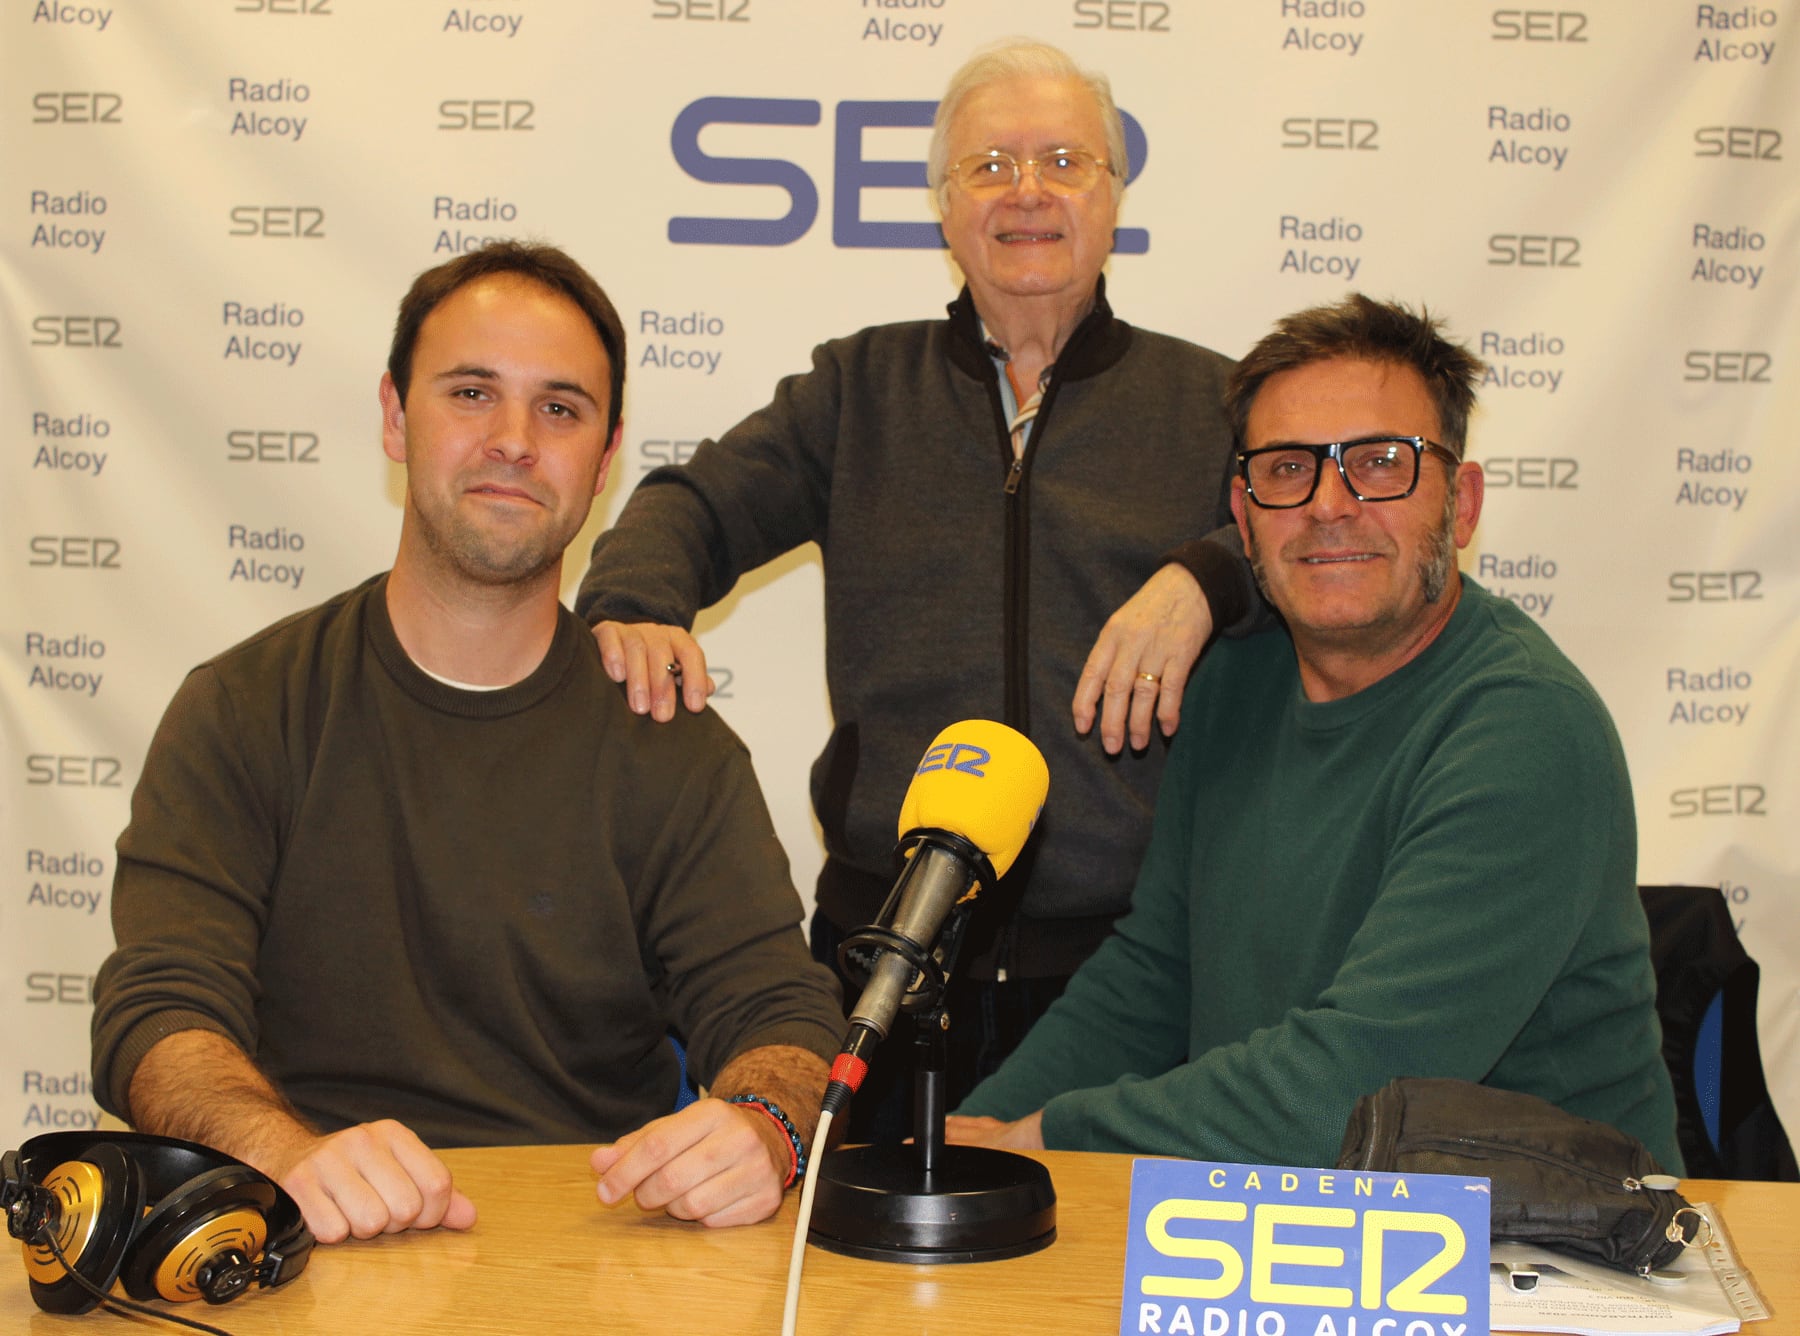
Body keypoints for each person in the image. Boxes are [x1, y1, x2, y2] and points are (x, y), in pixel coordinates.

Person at [89, 242, 845, 1244]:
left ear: (606, 458)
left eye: (560, 409)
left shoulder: (672, 745)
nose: (515, 441)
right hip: (301, 1235)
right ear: (397, 418)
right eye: (473, 393)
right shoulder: (244, 708)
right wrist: (285, 1155)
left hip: (587, 1256)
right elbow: (158, 1009)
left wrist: (763, 1126)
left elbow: (778, 1013)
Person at [575, 40, 1255, 1134]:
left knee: (1092, 1298)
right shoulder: (859, 387)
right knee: (852, 1295)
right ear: (945, 211)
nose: (1026, 190)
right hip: (878, 962)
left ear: (1114, 195)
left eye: (1064, 159)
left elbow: (1314, 540)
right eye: (989, 166)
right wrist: (634, 603)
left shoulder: (1213, 400)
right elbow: (690, 504)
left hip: (1130, 979)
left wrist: (1207, 574)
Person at [945, 294, 1683, 1171]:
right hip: (1303, 1230)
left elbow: (1351, 1093)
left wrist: (1047, 1137)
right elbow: (1153, 978)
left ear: (1465, 503)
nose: (1331, 505)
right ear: (1244, 512)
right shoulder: (1231, 682)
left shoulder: (1525, 730)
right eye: (1289, 469)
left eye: (1380, 463)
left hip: (1548, 1260)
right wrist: (962, 1142)